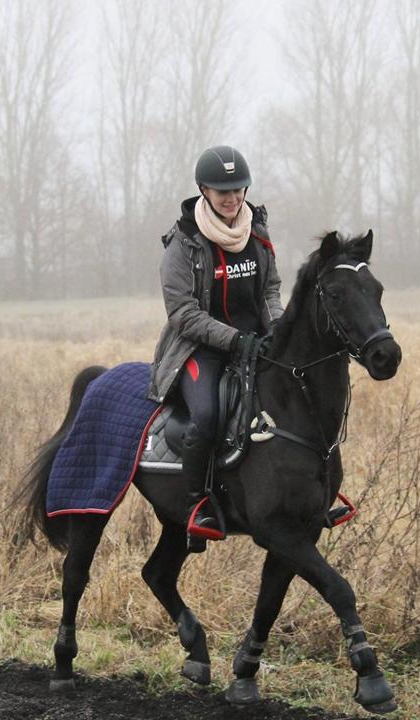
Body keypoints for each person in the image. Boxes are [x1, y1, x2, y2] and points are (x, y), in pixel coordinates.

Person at [147, 145, 284, 545]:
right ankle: (196, 505)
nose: (232, 197)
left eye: (238, 188)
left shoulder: (257, 231)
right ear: (203, 190)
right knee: (206, 415)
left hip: (255, 345)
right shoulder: (183, 244)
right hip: (198, 351)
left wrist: (276, 327)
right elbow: (183, 313)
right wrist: (234, 339)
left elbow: (270, 290)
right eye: (222, 190)